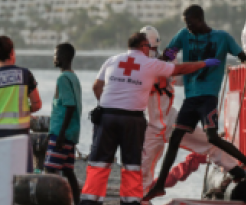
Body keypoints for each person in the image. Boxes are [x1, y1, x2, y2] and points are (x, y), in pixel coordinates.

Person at [80, 32, 219, 205]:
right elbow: (179, 69)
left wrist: (105, 103)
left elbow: (97, 86)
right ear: (144, 46)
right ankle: (131, 201)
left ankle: (89, 201)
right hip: (132, 119)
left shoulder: (112, 60)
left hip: (107, 117)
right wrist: (203, 63)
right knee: (131, 165)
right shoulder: (149, 64)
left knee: (99, 163)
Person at [144, 5, 246, 202]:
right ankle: (152, 190)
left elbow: (241, 57)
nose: (189, 28)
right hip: (173, 112)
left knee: (210, 139)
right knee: (164, 149)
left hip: (190, 107)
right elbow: (169, 59)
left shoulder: (221, 38)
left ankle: (243, 167)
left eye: (191, 23)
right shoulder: (179, 39)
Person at [0, 36, 42, 173]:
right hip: (19, 132)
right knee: (21, 174)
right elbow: (37, 104)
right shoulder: (25, 74)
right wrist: (25, 109)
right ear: (12, 53)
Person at [43, 42, 81, 205]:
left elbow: (70, 105)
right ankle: (78, 202)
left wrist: (60, 135)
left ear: (64, 57)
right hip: (71, 133)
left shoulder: (63, 78)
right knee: (68, 170)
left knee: (50, 169)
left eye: (56, 55)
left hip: (61, 133)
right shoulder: (73, 77)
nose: (54, 58)